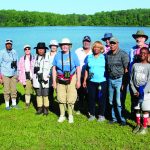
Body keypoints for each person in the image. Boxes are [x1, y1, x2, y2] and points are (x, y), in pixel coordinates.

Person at [52, 38, 81, 123]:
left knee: (71, 96)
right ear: (60, 46)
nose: (64, 46)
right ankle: (62, 115)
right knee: (61, 96)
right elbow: (54, 68)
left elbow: (78, 67)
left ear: (69, 46)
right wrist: (54, 81)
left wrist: (78, 80)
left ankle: (70, 115)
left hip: (71, 77)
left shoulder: (74, 55)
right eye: (63, 45)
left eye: (66, 45)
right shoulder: (57, 55)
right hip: (60, 78)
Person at [105, 37, 129, 126]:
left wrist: (124, 83)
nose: (112, 45)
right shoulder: (107, 54)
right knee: (111, 101)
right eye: (111, 43)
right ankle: (114, 118)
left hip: (120, 80)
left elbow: (126, 70)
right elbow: (107, 68)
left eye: (113, 43)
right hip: (111, 79)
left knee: (118, 102)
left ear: (117, 43)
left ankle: (122, 119)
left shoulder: (123, 54)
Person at [83, 41, 107, 121]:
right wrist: (84, 80)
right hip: (91, 81)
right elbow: (87, 69)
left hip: (102, 81)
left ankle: (101, 115)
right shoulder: (89, 57)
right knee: (91, 98)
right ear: (93, 48)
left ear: (101, 49)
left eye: (98, 47)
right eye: (95, 47)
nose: (96, 48)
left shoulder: (104, 57)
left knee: (101, 99)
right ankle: (92, 114)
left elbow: (107, 69)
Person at [130, 47, 150, 134]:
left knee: (145, 109)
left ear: (148, 55)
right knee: (137, 109)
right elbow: (131, 79)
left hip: (146, 92)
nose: (143, 54)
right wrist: (135, 90)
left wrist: (143, 92)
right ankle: (138, 124)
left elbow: (149, 81)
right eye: (141, 52)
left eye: (145, 53)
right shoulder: (135, 65)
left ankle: (144, 127)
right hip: (136, 91)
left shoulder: (149, 66)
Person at [129, 30, 149, 118]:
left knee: (146, 99)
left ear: (144, 39)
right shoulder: (132, 49)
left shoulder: (148, 49)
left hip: (145, 78)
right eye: (137, 37)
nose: (138, 39)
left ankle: (146, 118)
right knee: (134, 97)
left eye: (141, 37)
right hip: (134, 77)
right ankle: (135, 115)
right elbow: (130, 63)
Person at [75, 36, 92, 114]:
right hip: (79, 76)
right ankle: (80, 108)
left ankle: (89, 109)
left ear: (90, 42)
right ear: (83, 42)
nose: (86, 43)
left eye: (88, 41)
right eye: (85, 41)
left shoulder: (93, 51)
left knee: (89, 93)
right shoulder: (77, 51)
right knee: (80, 93)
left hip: (90, 76)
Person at [33, 42, 51, 115]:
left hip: (45, 79)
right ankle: (40, 108)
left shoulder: (48, 57)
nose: (41, 51)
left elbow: (51, 68)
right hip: (37, 79)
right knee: (38, 94)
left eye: (42, 49)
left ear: (45, 50)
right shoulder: (34, 58)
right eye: (39, 49)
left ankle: (46, 109)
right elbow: (32, 68)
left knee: (45, 94)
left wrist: (48, 76)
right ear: (37, 50)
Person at [0, 39, 19, 110]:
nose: (9, 45)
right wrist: (0, 76)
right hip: (5, 74)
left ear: (12, 45)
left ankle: (14, 104)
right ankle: (7, 105)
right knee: (6, 90)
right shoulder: (1, 52)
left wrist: (18, 74)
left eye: (10, 44)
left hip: (14, 74)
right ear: (5, 45)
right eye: (7, 44)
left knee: (14, 89)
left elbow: (17, 63)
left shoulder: (14, 52)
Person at [47, 40, 58, 110]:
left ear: (57, 47)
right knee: (49, 90)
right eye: (52, 46)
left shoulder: (59, 54)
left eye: (55, 46)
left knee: (58, 90)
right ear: (50, 46)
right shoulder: (46, 54)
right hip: (48, 75)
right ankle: (51, 104)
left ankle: (60, 104)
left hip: (57, 74)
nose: (53, 47)